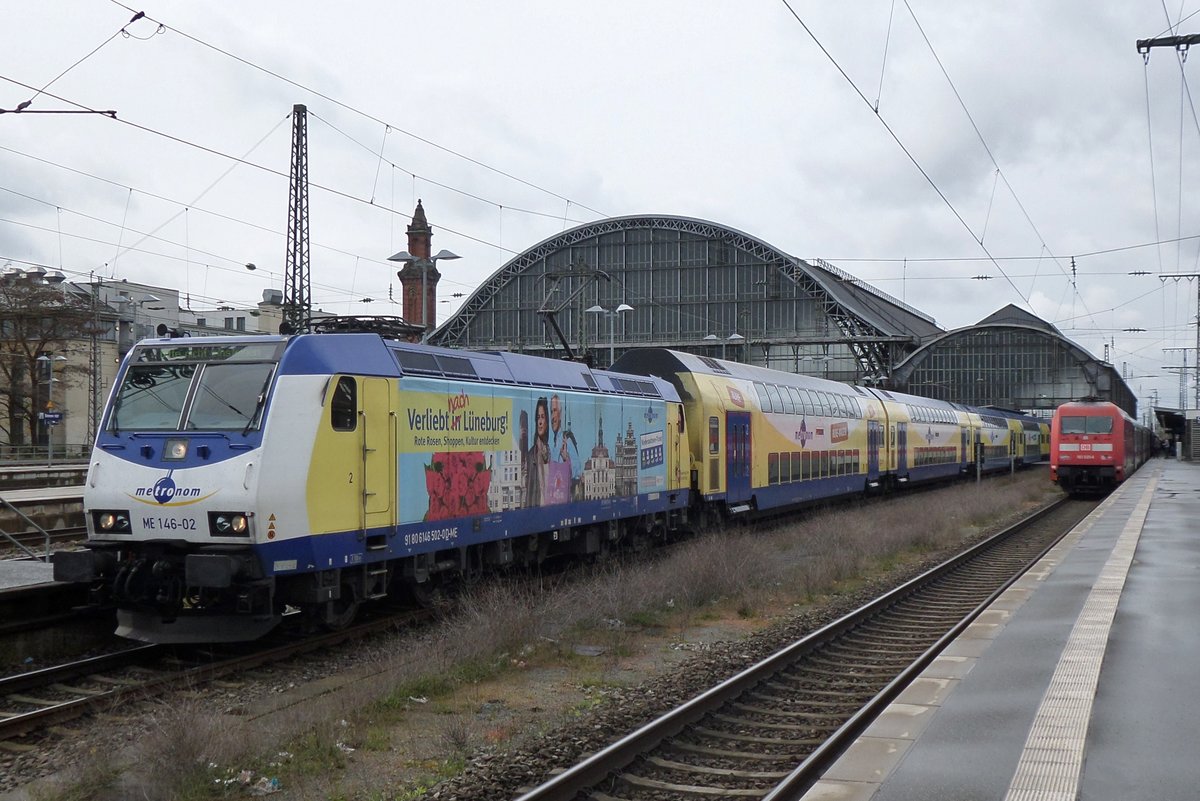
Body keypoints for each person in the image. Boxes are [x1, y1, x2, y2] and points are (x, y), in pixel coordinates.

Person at [550, 393, 582, 498]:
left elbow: (577, 471)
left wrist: (566, 460)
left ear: (561, 414)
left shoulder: (566, 439)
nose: (552, 416)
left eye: (555, 411)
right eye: (551, 412)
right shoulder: (552, 443)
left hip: (564, 498)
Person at [524, 397, 549, 507]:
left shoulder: (552, 451)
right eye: (538, 417)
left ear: (547, 421)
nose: (540, 421)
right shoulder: (530, 455)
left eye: (543, 417)